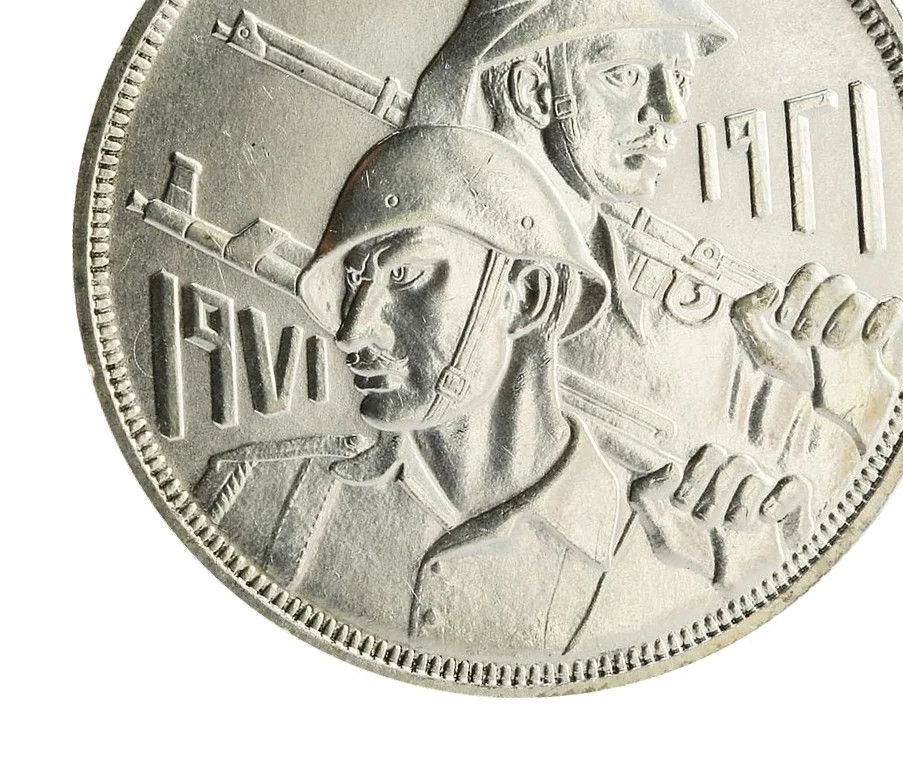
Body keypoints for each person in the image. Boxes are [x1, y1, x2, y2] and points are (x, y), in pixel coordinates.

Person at [407, 0, 903, 584]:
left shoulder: (725, 336)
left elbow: (816, 522)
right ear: (532, 90)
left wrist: (855, 404)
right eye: (624, 75)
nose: (670, 110)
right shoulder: (399, 305)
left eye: (678, 75)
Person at [195, 124, 700, 655]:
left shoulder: (660, 551)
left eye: (404, 276)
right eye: (354, 282)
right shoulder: (253, 493)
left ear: (529, 297)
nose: (351, 331)